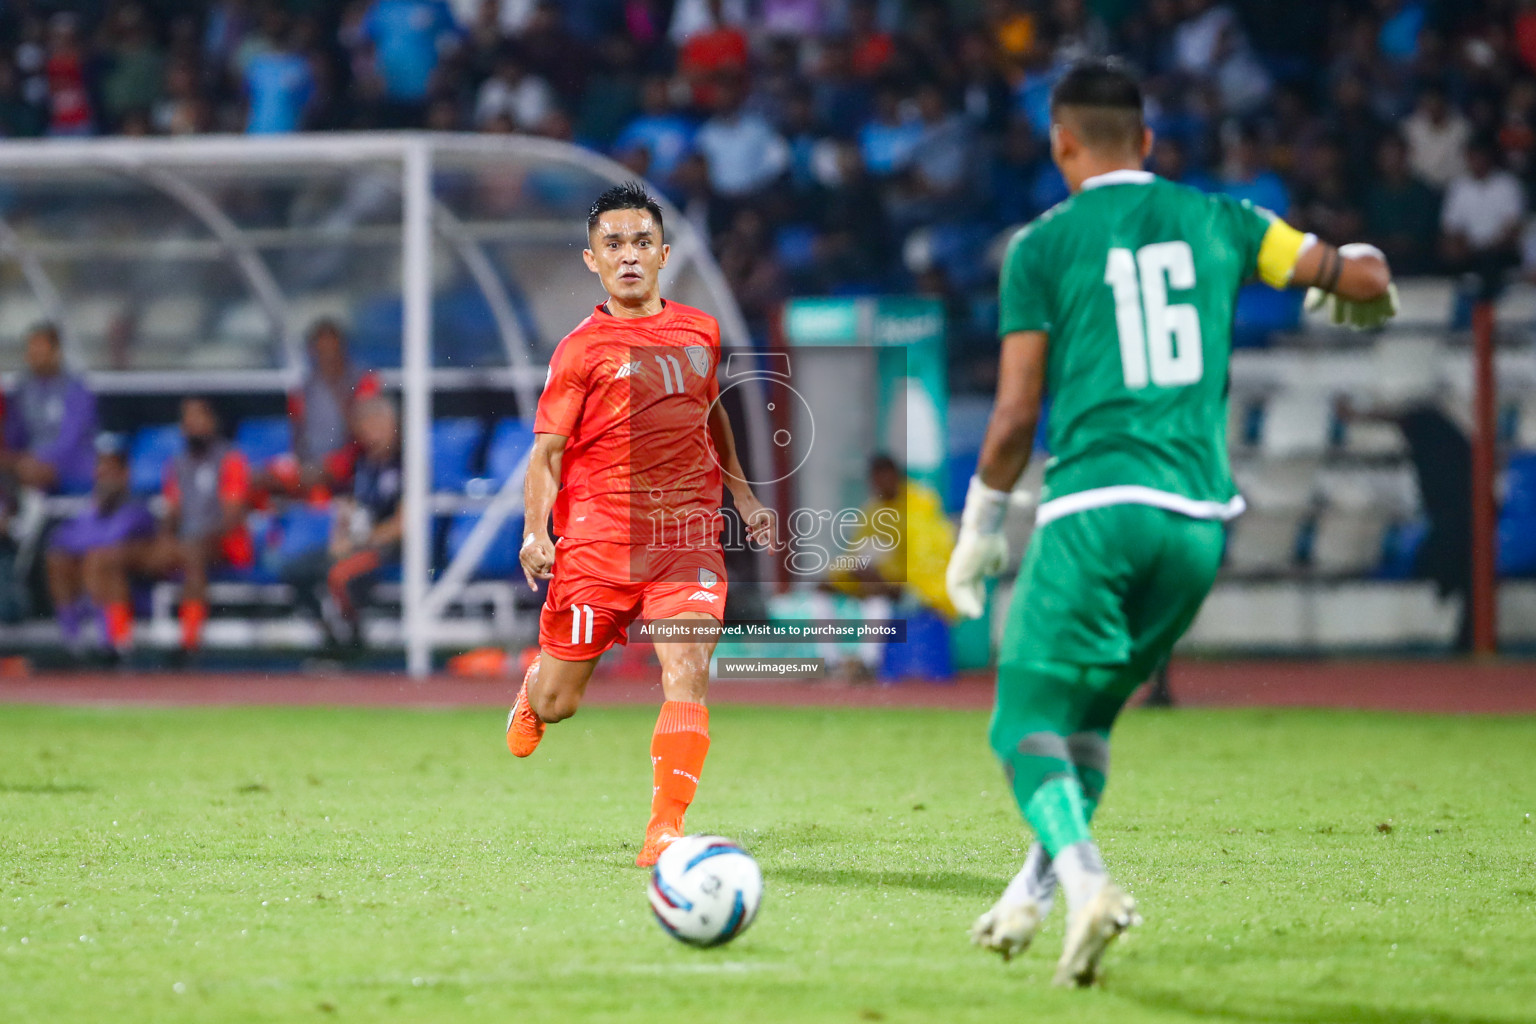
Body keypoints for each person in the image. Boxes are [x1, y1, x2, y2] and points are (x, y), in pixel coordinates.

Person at [945, 59, 1397, 987]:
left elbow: (1015, 416)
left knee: (1021, 721)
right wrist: (1368, 284)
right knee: (1088, 725)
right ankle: (1034, 892)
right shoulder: (1226, 221)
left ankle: (1089, 885)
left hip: (1094, 509)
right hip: (1196, 524)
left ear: (1062, 143)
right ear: (1147, 142)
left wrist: (982, 522)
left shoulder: (1042, 245)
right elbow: (1351, 273)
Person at [506, 182, 772, 867]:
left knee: (687, 669)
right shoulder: (579, 350)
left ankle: (665, 830)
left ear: (664, 253)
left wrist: (743, 499)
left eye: (641, 242)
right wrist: (537, 529)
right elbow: (547, 452)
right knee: (562, 700)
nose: (629, 256)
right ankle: (535, 692)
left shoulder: (700, 331)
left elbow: (709, 413)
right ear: (592, 260)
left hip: (685, 537)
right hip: (597, 543)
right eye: (613, 244)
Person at [279, 397, 403, 651]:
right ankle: (329, 636)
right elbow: (347, 507)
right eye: (365, 426)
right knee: (297, 571)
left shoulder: (405, 465)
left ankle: (352, 642)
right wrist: (340, 538)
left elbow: (402, 524)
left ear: (392, 425)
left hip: (387, 548)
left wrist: (363, 540)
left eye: (377, 424)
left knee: (339, 576)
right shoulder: (361, 464)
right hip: (357, 543)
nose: (371, 433)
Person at [147, 397, 255, 658]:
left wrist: (189, 541)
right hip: (185, 544)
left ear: (212, 422)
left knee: (193, 553)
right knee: (112, 557)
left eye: (198, 418)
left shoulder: (230, 459)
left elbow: (231, 517)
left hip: (225, 545)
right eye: (187, 419)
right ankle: (114, 645)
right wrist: (165, 539)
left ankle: (189, 642)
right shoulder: (178, 463)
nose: (192, 424)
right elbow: (172, 511)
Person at [45, 437, 155, 659]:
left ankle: (115, 644)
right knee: (58, 559)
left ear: (125, 475)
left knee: (100, 559)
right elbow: (61, 539)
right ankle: (73, 643)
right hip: (88, 587)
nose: (103, 477)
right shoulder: (91, 509)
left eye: (111, 470)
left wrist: (84, 540)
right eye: (100, 469)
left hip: (133, 591)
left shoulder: (136, 507)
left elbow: (112, 539)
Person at [278, 320, 382, 497]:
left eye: (333, 351)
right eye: (321, 352)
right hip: (312, 463)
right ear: (312, 352)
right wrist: (302, 463)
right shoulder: (303, 389)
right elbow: (297, 433)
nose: (328, 358)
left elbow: (368, 432)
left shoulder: (363, 381)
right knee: (268, 478)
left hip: (351, 460)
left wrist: (339, 390)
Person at [1, 322, 97, 495]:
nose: (35, 356)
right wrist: (16, 459)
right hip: (28, 465)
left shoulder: (75, 389)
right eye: (31, 350)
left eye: (40, 350)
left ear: (56, 352)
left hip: (68, 466)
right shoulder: (22, 389)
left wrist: (37, 459)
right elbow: (14, 435)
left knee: (35, 473)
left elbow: (71, 440)